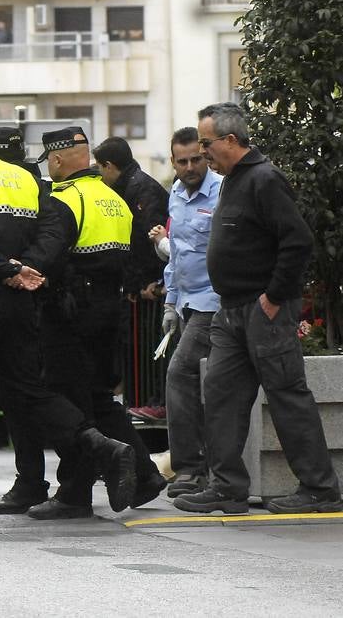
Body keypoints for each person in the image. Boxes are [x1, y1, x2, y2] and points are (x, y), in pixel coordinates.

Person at [0, 107, 136, 527]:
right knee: (27, 389)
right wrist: (26, 270)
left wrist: (6, 269)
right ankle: (102, 446)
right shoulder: (24, 178)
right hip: (21, 303)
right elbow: (53, 231)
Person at [174, 103, 341, 514]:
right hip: (229, 310)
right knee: (222, 396)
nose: (203, 151)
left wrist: (273, 297)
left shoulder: (264, 179)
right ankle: (228, 488)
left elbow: (297, 241)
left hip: (261, 310)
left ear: (231, 140)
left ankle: (319, 488)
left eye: (207, 143)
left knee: (286, 395)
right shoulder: (234, 180)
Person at [0, 126, 164, 520]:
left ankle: (73, 493)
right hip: (112, 309)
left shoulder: (65, 200)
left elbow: (47, 255)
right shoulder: (113, 198)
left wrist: (14, 268)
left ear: (55, 161)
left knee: (67, 401)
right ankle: (146, 475)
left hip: (70, 312)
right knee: (101, 399)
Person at [157, 126, 222, 498]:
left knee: (179, 375)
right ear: (173, 162)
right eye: (182, 161)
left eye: (196, 159)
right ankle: (208, 467)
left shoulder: (221, 191)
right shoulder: (177, 195)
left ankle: (190, 468)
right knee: (207, 386)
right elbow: (179, 255)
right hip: (185, 303)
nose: (189, 166)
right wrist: (170, 301)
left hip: (213, 303)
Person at [92, 135, 169, 304]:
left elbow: (148, 239)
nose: (99, 174)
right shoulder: (128, 186)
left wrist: (146, 281)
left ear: (109, 166)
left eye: (99, 168)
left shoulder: (142, 190)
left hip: (150, 287)